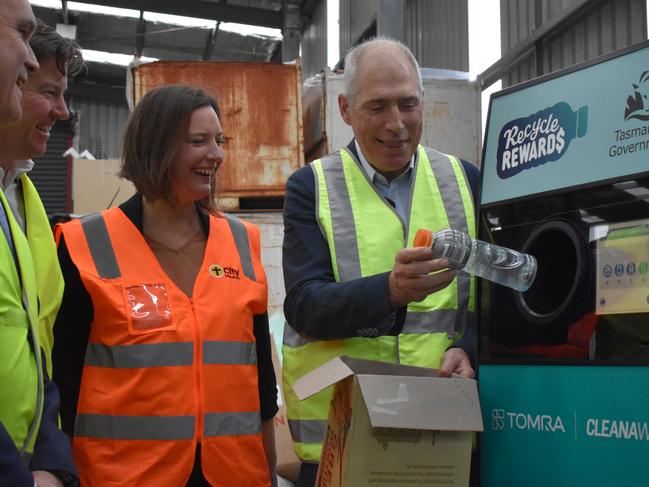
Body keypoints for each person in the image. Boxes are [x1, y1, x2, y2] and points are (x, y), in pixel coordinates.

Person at [53, 85, 278, 487]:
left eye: (219, 141)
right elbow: (64, 382)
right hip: (124, 477)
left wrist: (270, 471)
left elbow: (260, 377)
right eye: (198, 141)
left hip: (232, 474)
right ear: (156, 147)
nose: (216, 154)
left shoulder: (243, 242)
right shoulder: (85, 245)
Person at [281, 37, 480, 486]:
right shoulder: (310, 188)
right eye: (378, 107)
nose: (397, 124)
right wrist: (388, 292)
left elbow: (496, 303)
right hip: (347, 438)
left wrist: (469, 347)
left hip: (442, 432)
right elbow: (305, 306)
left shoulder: (464, 181)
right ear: (346, 109)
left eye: (408, 104)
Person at [0, 5, 79, 487]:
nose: (63, 111)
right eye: (48, 92)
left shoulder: (21, 200)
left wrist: (53, 460)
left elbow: (37, 347)